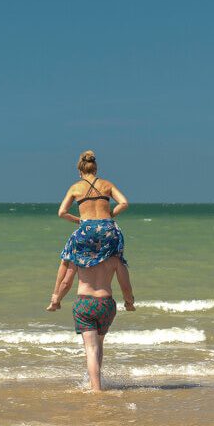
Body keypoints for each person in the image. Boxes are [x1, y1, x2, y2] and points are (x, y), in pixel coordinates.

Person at [47, 150, 135, 391]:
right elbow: (125, 202)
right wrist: (109, 215)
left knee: (67, 259)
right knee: (116, 258)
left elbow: (61, 212)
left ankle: (55, 298)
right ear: (95, 168)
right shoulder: (107, 184)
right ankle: (129, 299)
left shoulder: (76, 187)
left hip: (86, 228)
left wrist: (80, 221)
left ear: (79, 170)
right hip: (109, 228)